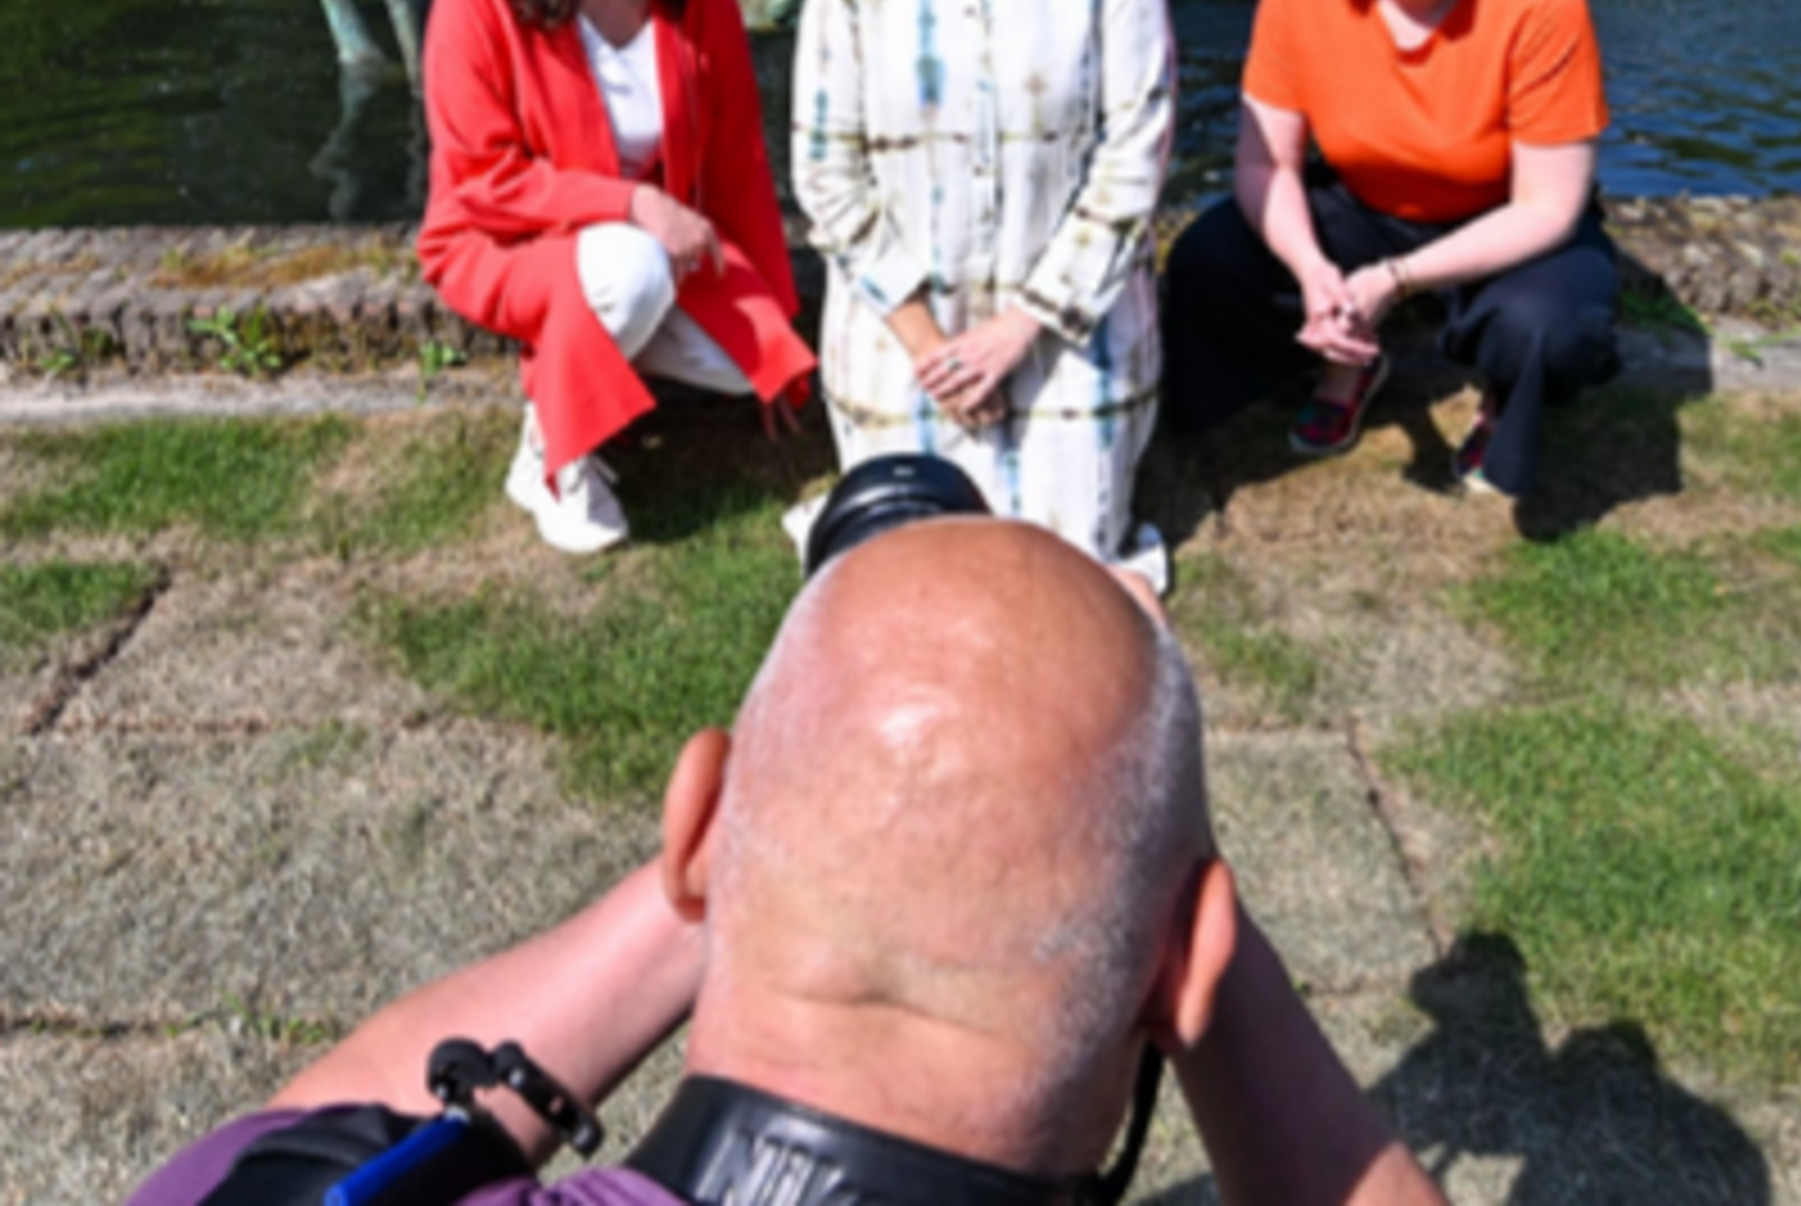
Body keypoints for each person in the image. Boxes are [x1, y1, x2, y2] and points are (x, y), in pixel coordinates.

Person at [118, 509, 1444, 1206]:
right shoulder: (1194, 958)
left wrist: (783, 810)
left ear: (696, 827)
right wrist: (1164, 874)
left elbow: (321, 1124)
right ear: (1190, 958)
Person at [791, 0, 1178, 585]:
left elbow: (1136, 154)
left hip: (1065, 326)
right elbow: (826, 172)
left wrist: (1020, 329)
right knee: (908, 565)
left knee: (1061, 575)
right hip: (905, 333)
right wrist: (931, 346)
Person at [1161, 0, 1622, 505]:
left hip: (1506, 220)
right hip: (1366, 205)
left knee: (1550, 328)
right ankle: (1345, 363)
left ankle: (1504, 395)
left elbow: (1549, 207)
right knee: (1206, 261)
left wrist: (1394, 279)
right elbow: (1264, 161)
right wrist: (1313, 269)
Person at [420, 0, 816, 556]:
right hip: (501, 237)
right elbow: (483, 181)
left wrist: (775, 307)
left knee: (754, 359)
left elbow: (739, 170)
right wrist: (635, 204)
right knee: (631, 271)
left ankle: (588, 360)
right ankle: (550, 451)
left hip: (645, 251)